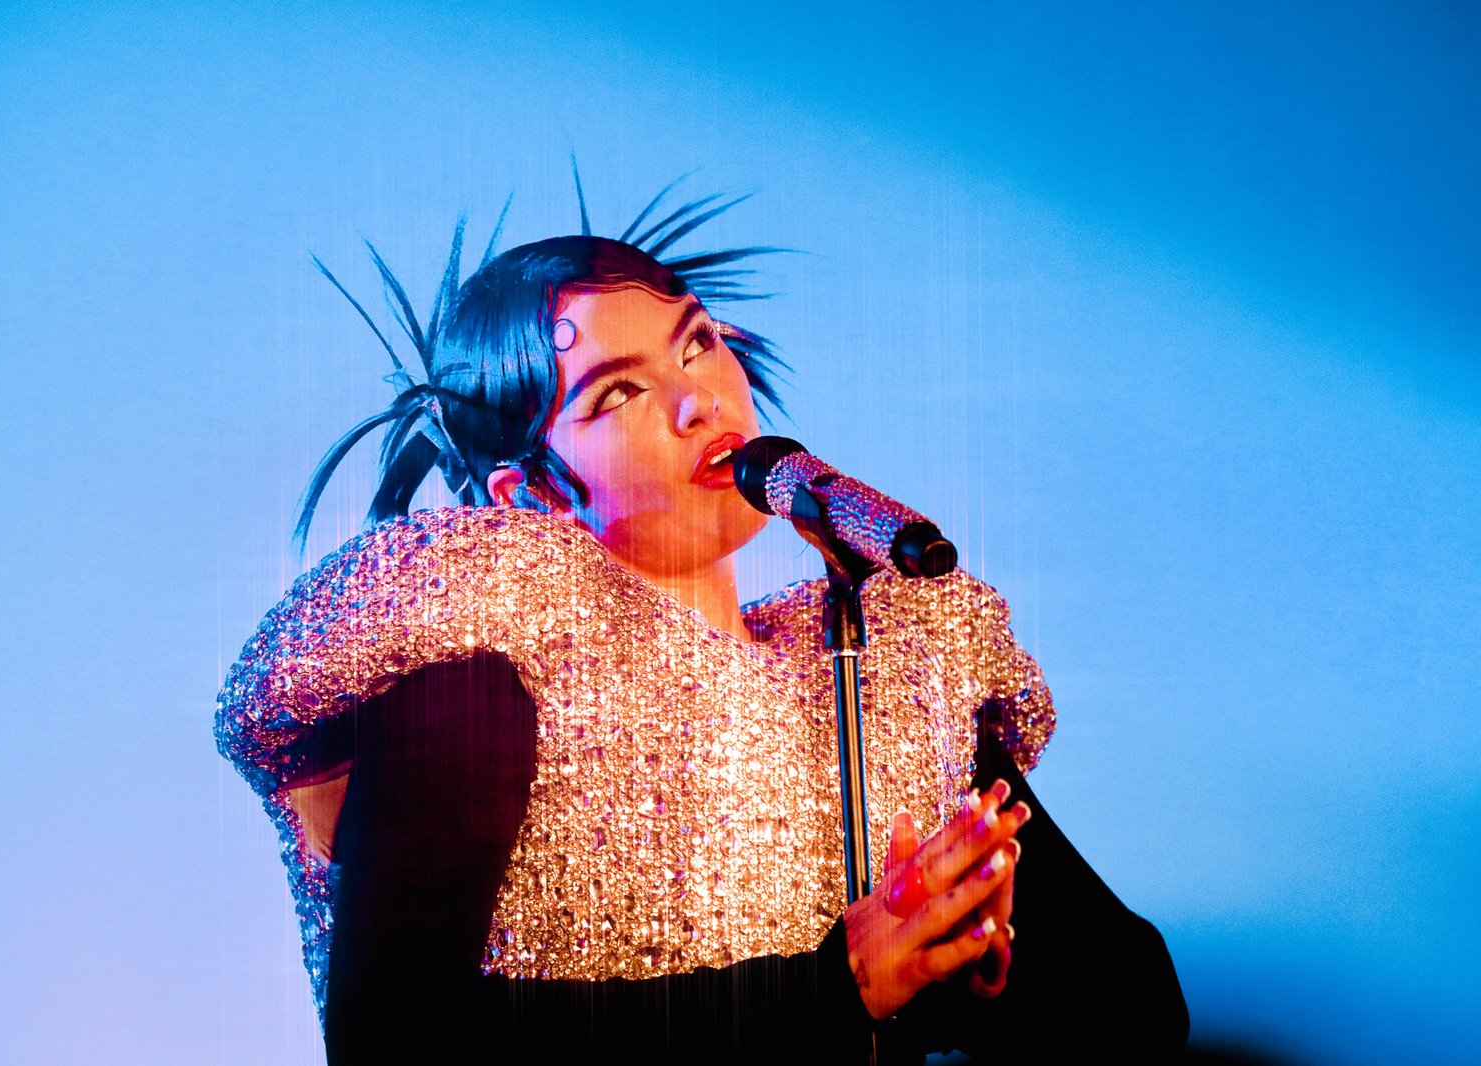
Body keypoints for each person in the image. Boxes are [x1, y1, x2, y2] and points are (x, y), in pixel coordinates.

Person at [215, 180, 1188, 1063]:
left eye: (696, 343)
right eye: (620, 391)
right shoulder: (477, 674)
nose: (697, 400)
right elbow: (399, 1048)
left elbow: (1136, 1006)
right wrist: (833, 990)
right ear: (533, 493)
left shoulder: (881, 677)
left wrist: (973, 973)